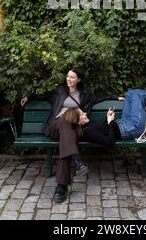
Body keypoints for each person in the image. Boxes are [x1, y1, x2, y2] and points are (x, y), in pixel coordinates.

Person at [20, 66, 117, 203]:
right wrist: (28, 96)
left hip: (73, 129)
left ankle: (62, 185)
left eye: (72, 77)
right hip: (55, 126)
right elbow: (42, 95)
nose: (68, 79)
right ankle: (74, 164)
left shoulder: (85, 94)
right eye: (67, 76)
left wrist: (116, 97)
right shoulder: (59, 91)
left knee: (67, 140)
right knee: (65, 121)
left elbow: (100, 98)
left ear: (78, 79)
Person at [64, 85, 146, 149]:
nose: (85, 114)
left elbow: (104, 129)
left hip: (124, 123)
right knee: (136, 95)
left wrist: (108, 117)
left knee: (130, 94)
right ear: (77, 122)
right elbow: (110, 142)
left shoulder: (86, 126)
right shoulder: (88, 132)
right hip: (132, 128)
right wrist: (110, 122)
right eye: (82, 114)